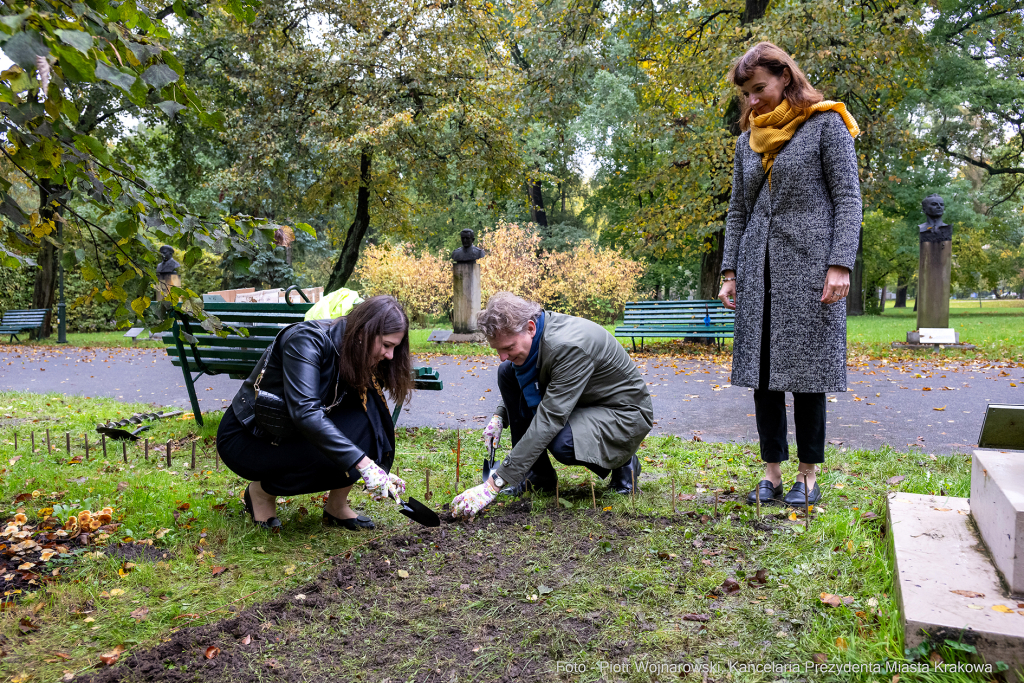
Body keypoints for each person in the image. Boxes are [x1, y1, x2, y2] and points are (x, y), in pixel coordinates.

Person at [717, 42, 862, 507]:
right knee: (763, 374)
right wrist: (730, 270)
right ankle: (772, 473)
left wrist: (840, 262)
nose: (753, 100)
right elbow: (738, 211)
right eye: (747, 94)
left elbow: (848, 199)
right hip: (758, 267)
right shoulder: (747, 141)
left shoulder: (826, 124)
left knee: (808, 372)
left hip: (811, 265)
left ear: (785, 76)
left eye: (759, 88)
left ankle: (808, 475)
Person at [216, 296, 414, 530]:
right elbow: (305, 412)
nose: (390, 355)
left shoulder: (355, 349)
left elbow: (369, 419)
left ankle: (337, 507)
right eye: (387, 345)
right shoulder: (307, 340)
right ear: (363, 332)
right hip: (253, 437)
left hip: (293, 431)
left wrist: (379, 467)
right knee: (343, 453)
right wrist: (363, 463)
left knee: (371, 422)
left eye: (395, 347)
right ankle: (260, 493)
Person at [451, 292, 653, 519]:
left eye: (507, 347)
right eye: (497, 349)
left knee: (562, 441)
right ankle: (538, 475)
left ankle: (624, 459)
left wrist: (494, 483)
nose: (502, 356)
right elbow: (531, 382)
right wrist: (500, 415)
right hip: (584, 401)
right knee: (507, 372)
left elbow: (550, 419)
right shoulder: (538, 336)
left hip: (623, 414)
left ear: (529, 328)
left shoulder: (568, 348)